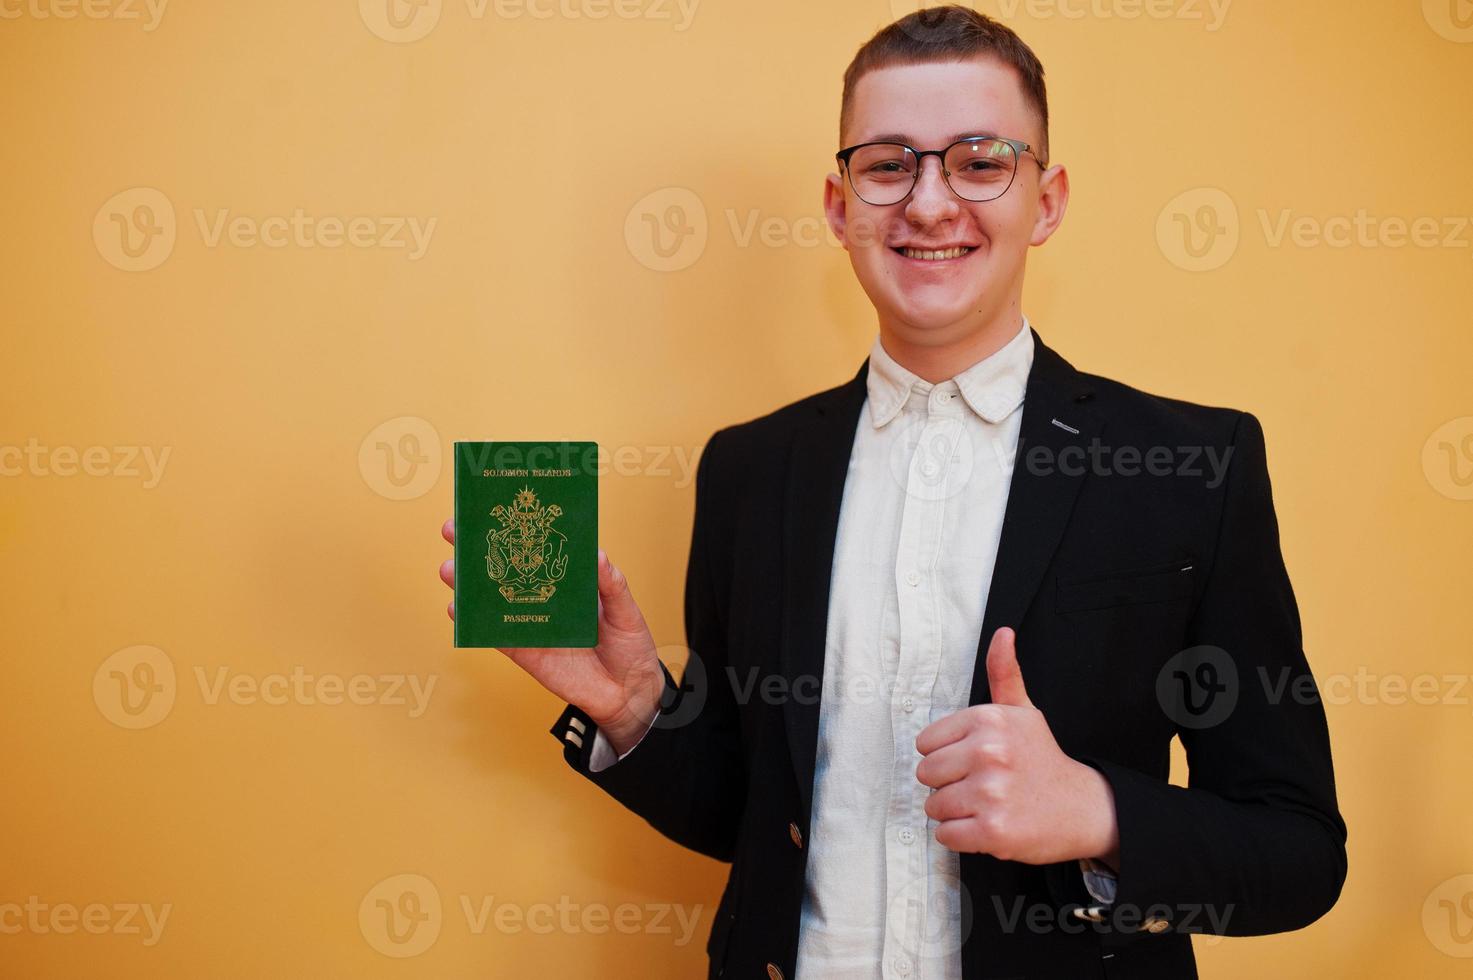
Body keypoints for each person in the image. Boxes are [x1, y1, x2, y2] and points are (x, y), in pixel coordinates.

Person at [439, 7, 1346, 977]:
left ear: (1047, 199)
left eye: (981, 159)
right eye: (887, 164)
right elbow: (757, 819)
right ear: (839, 206)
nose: (927, 202)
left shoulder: (1192, 464)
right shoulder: (748, 469)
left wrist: (1095, 809)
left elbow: (1297, 852)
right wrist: (631, 708)